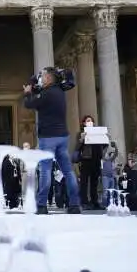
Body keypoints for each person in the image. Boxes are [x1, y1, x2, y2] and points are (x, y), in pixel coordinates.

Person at [23, 67, 81, 214]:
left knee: (45, 171)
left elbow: (29, 104)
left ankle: (41, 205)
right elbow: (66, 77)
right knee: (68, 171)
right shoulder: (60, 92)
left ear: (48, 78)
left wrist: (27, 93)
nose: (41, 79)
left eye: (42, 76)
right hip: (62, 136)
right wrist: (34, 82)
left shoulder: (46, 94)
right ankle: (74, 204)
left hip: (48, 137)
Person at [74, 115, 102, 209]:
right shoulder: (81, 133)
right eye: (87, 121)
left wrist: (106, 138)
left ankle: (95, 201)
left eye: (91, 121)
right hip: (86, 160)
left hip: (96, 159)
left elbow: (104, 146)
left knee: (94, 182)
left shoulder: (98, 133)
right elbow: (77, 147)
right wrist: (82, 139)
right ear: (84, 123)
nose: (90, 122)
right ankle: (84, 202)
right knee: (84, 182)